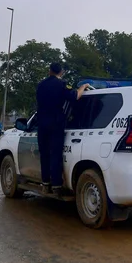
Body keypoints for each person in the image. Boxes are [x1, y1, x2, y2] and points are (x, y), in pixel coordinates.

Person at [36, 63, 89, 194]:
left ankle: (45, 184)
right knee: (55, 154)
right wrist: (83, 87)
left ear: (49, 71)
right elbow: (75, 96)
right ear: (61, 72)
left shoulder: (40, 85)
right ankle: (56, 186)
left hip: (41, 123)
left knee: (44, 154)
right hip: (56, 123)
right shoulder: (61, 84)